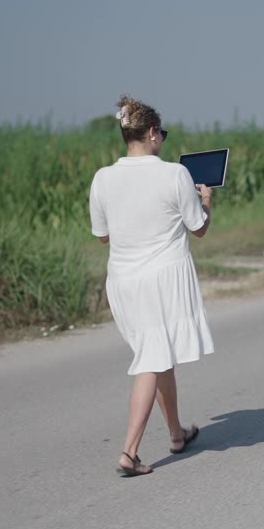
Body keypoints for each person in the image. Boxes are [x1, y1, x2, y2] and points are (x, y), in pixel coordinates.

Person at [89, 95, 215, 477]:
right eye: (161, 131)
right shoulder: (175, 174)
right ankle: (128, 453)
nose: (162, 138)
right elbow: (200, 228)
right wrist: (207, 201)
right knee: (152, 358)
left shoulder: (102, 178)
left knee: (158, 355)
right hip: (163, 279)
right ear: (150, 134)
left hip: (124, 282)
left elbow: (103, 236)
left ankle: (177, 435)